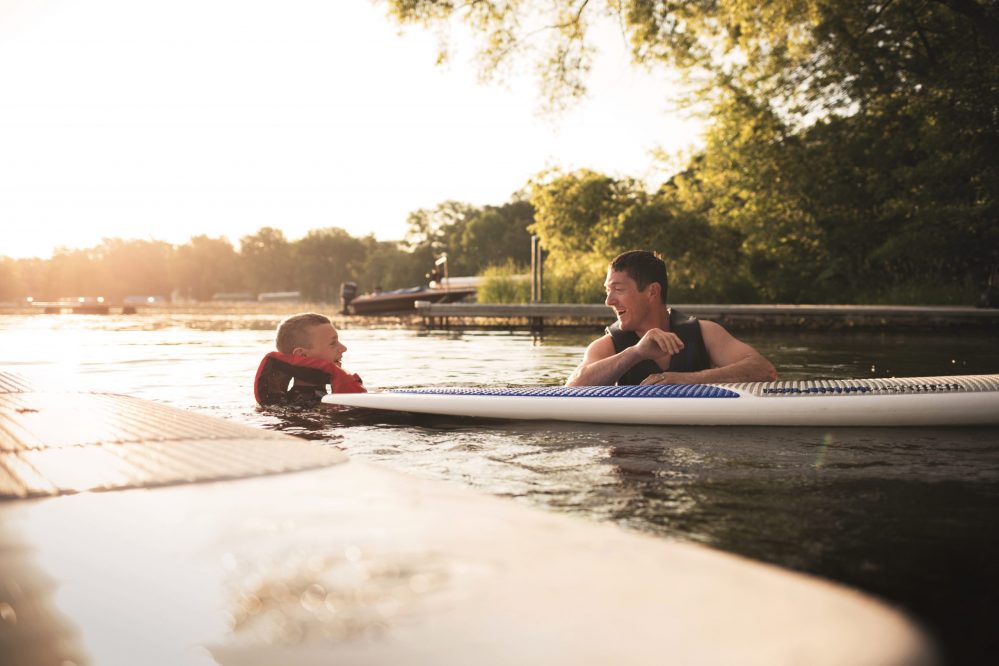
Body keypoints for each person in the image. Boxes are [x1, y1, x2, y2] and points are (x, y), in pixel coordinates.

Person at [566, 251, 777, 386]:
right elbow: (573, 387)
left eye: (618, 290)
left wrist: (688, 380)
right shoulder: (609, 346)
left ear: (652, 292)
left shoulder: (705, 333)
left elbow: (764, 370)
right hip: (631, 452)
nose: (609, 301)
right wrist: (636, 353)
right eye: (607, 291)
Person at [254, 312, 365, 406]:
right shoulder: (308, 405)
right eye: (332, 343)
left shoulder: (288, 402)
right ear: (302, 355)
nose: (343, 348)